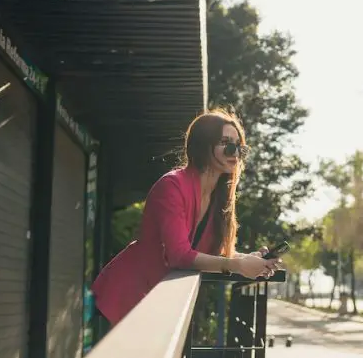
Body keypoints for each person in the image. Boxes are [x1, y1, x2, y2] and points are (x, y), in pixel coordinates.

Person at [91, 109, 280, 326]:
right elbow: (180, 255)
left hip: (158, 304)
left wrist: (249, 259)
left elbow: (208, 252)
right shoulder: (171, 186)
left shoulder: (219, 197)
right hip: (124, 299)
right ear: (202, 145)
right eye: (226, 143)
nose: (234, 152)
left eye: (238, 146)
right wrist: (238, 265)